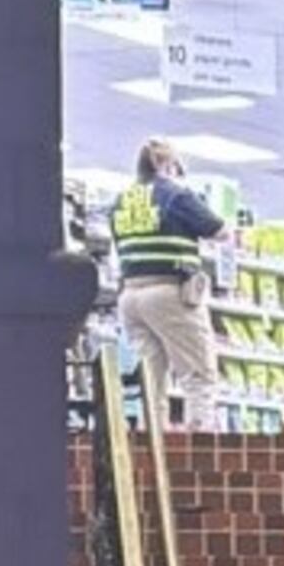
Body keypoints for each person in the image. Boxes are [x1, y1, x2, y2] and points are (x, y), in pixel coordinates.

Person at [109, 140, 228, 431]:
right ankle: (199, 446)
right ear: (166, 166)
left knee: (151, 378)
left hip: (131, 297)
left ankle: (153, 444)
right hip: (170, 291)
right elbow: (219, 230)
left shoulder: (120, 201)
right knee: (198, 374)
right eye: (177, 168)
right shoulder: (175, 194)